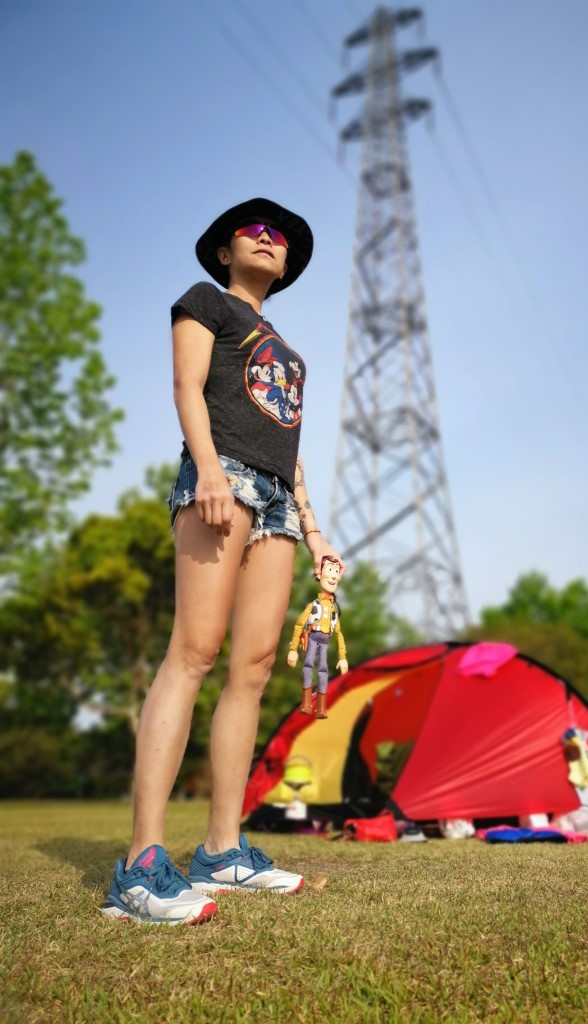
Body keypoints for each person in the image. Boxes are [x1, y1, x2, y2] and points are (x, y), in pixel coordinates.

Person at [102, 197, 344, 925]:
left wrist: (314, 527)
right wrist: (207, 469)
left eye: (281, 238)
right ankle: (140, 867)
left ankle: (223, 853)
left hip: (275, 504)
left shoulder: (290, 353)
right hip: (222, 480)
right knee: (195, 652)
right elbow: (186, 388)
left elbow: (289, 447)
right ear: (223, 251)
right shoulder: (206, 301)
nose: (269, 240)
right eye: (255, 231)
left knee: (257, 667)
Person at [287, 555, 349, 719]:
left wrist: (342, 657)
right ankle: (306, 703)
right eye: (330, 570)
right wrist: (293, 648)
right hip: (312, 636)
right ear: (319, 575)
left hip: (325, 640)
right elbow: (300, 624)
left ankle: (321, 707)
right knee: (308, 666)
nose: (334, 575)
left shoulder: (335, 609)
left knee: (323, 670)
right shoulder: (313, 605)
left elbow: (339, 633)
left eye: (336, 571)